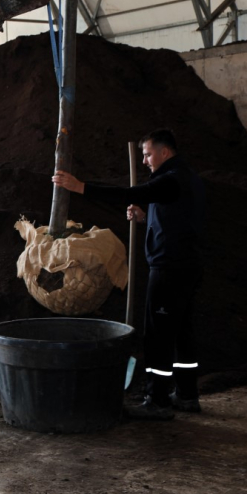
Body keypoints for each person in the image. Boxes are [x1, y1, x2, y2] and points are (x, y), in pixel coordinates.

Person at [52, 128, 206, 420]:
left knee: (159, 335)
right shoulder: (188, 178)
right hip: (188, 266)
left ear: (164, 152)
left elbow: (129, 193)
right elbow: (178, 219)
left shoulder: (170, 180)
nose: (145, 160)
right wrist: (146, 217)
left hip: (170, 268)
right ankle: (187, 395)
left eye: (148, 154)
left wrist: (80, 186)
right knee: (182, 331)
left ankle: (157, 400)